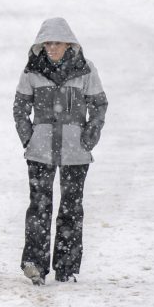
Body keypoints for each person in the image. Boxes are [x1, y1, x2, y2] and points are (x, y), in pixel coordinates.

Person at [13, 18, 108, 286]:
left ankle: (66, 267)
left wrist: (89, 137)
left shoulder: (85, 70)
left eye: (57, 42)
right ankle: (35, 264)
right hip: (40, 152)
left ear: (69, 44)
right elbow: (20, 107)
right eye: (48, 43)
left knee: (71, 208)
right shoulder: (32, 70)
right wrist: (28, 138)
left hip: (75, 153)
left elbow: (99, 105)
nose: (52, 48)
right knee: (39, 207)